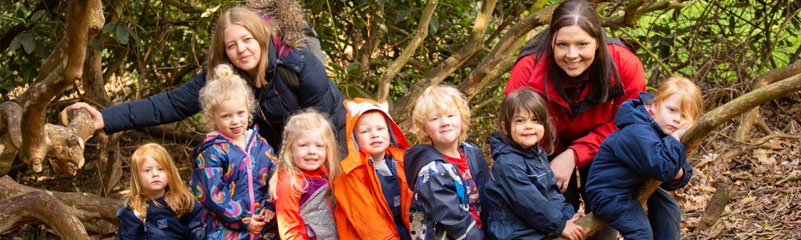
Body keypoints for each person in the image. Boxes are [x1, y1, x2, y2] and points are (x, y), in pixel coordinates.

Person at [69, 6, 346, 153]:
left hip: (335, 136)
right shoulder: (222, 76)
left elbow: (324, 123)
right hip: (285, 152)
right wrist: (104, 119)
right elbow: (169, 104)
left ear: (261, 37)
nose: (242, 50)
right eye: (232, 45)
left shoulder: (297, 62)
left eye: (247, 39)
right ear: (223, 50)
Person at [504, 1, 646, 237]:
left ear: (598, 43)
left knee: (606, 215)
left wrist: (575, 154)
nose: (572, 55)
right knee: (555, 223)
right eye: (562, 45)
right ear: (551, 43)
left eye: (582, 44)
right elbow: (515, 129)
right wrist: (550, 196)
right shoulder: (528, 67)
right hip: (544, 146)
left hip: (606, 145)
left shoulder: (624, 64)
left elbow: (630, 125)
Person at [586, 77, 702, 239]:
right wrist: (675, 139)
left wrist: (680, 172)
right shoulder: (637, 131)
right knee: (640, 232)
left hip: (633, 187)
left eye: (684, 116)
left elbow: (676, 169)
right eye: (672, 110)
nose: (677, 119)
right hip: (608, 193)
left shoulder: (664, 132)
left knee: (669, 211)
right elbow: (662, 167)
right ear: (654, 106)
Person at [190, 64, 278, 239]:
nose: (235, 121)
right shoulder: (212, 152)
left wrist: (271, 205)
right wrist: (243, 219)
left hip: (264, 230)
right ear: (212, 117)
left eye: (240, 113)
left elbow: (276, 175)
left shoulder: (260, 144)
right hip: (227, 232)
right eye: (226, 116)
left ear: (249, 111)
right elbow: (212, 195)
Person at [485, 88, 585, 240]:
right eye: (520, 121)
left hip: (536, 225)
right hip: (514, 233)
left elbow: (551, 192)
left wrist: (567, 216)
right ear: (505, 128)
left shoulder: (536, 153)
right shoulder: (508, 164)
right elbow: (530, 203)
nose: (529, 126)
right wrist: (560, 225)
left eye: (535, 120)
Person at [403, 85, 490, 240]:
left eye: (450, 115)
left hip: (480, 231)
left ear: (462, 119)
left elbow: (488, 196)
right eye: (435, 118)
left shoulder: (472, 153)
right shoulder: (432, 171)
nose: (445, 122)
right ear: (424, 128)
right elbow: (457, 223)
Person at [332, 98, 412, 240]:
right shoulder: (350, 176)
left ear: (389, 131)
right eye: (365, 131)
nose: (375, 134)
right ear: (354, 138)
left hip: (405, 230)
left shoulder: (403, 161)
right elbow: (367, 223)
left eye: (380, 128)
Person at [270, 110, 341, 240]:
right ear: (290, 150)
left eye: (319, 146)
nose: (312, 151)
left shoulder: (325, 175)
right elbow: (289, 233)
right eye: (303, 145)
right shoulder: (290, 182)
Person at [117, 143, 204, 240]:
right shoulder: (134, 211)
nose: (155, 174)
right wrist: (138, 220)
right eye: (147, 170)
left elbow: (198, 226)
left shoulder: (181, 201)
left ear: (170, 172)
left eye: (160, 169)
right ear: (137, 176)